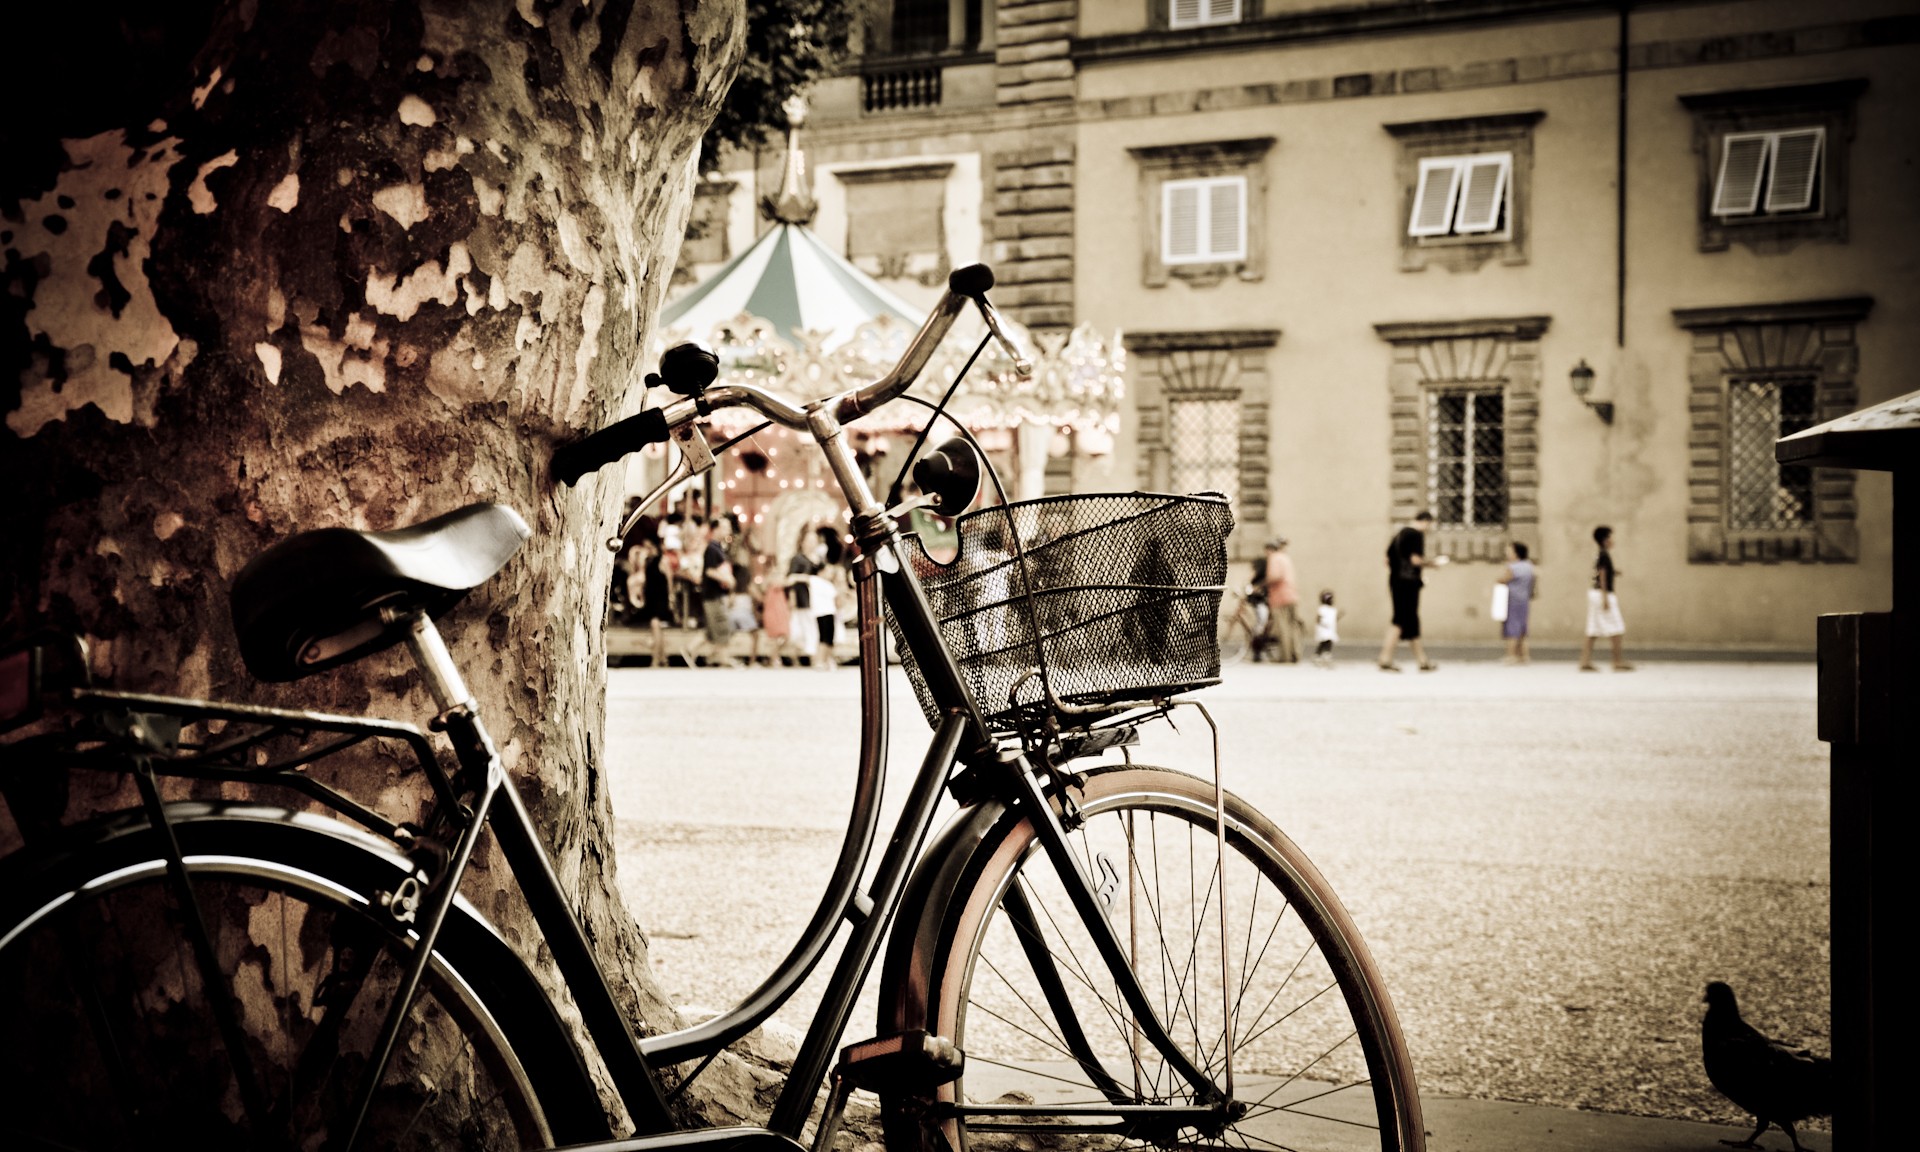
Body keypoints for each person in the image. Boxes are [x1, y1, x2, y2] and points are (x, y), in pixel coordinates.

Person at [1378, 510, 1444, 671]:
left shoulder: (1399, 534)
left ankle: (1421, 660)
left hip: (1395, 581)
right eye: (1429, 525)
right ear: (1426, 521)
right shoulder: (1416, 535)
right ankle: (1386, 659)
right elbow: (1415, 560)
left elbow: (1387, 559)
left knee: (1407, 620)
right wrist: (1432, 564)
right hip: (1408, 583)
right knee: (1402, 620)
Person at [1579, 525, 1633, 672]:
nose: (1612, 540)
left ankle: (1585, 661)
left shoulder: (1600, 554)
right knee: (1616, 627)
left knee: (1593, 629)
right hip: (1603, 593)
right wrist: (1605, 598)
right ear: (1604, 540)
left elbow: (1602, 571)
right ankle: (1617, 661)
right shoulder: (1604, 554)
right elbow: (1602, 574)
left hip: (1595, 593)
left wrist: (1613, 572)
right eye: (1610, 537)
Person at [689, 517, 737, 666]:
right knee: (723, 627)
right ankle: (722, 658)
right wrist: (728, 580)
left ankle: (691, 650)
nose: (728, 530)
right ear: (716, 529)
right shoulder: (712, 548)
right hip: (713, 596)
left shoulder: (718, 548)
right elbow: (709, 571)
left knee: (712, 631)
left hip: (716, 595)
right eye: (725, 527)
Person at [1263, 536, 1301, 664]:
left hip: (1280, 597)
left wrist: (1262, 584)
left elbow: (1275, 576)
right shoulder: (1285, 558)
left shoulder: (1274, 558)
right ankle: (1296, 654)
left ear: (1270, 549)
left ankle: (1285, 657)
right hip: (1292, 595)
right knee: (1293, 626)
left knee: (1283, 627)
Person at [1497, 541, 1536, 665]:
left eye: (1510, 551)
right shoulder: (1529, 566)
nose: (1508, 554)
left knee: (1511, 628)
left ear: (1516, 553)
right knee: (1523, 628)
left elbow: (1503, 580)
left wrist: (1499, 579)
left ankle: (1511, 655)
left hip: (1512, 600)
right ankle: (1524, 655)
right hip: (1524, 599)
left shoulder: (1513, 567)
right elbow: (1534, 581)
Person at [1312, 589, 1342, 668]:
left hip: (1330, 630)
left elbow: (1334, 619)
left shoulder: (1333, 610)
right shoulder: (1322, 609)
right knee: (1324, 643)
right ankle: (1320, 656)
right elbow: (1318, 619)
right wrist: (1322, 625)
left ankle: (1322, 656)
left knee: (1327, 643)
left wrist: (1339, 616)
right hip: (1324, 630)